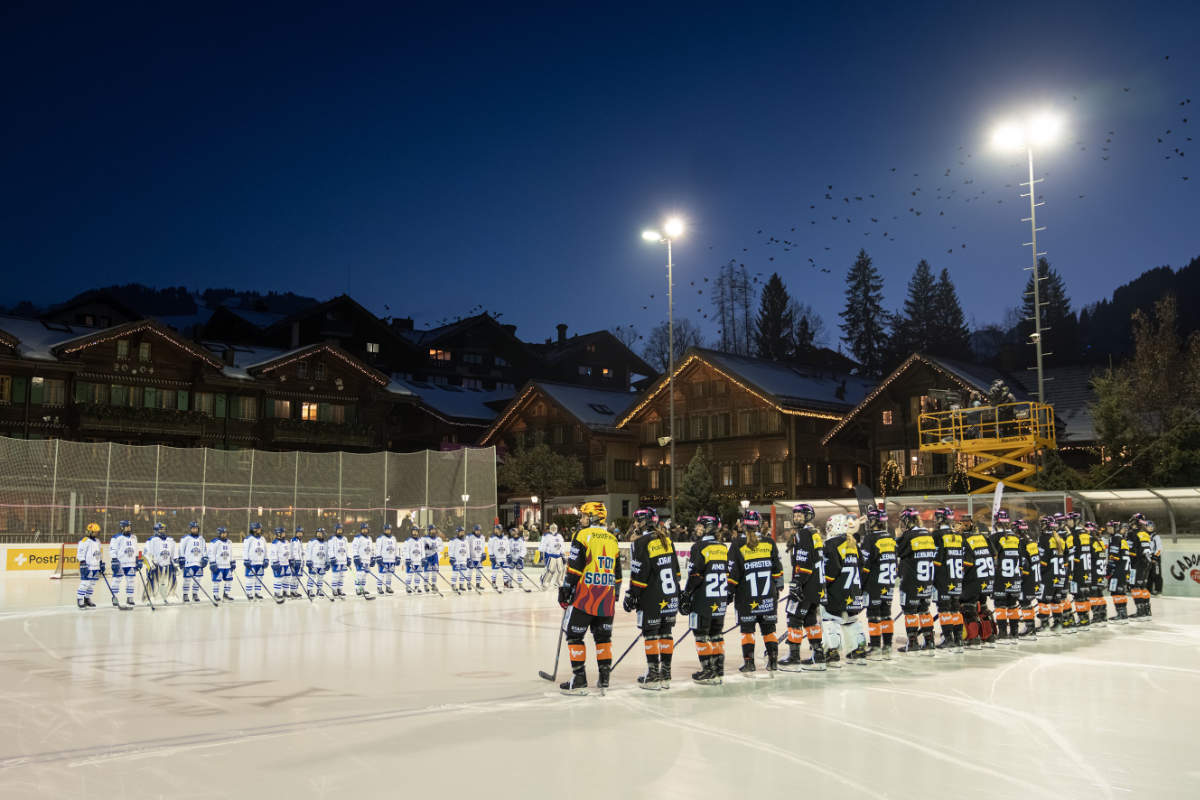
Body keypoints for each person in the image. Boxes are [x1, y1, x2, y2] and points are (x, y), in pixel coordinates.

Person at [557, 501, 621, 695]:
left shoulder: (582, 535)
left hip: (585, 596)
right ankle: (604, 678)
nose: (582, 519)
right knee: (603, 638)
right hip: (607, 596)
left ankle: (579, 679)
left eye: (585, 516)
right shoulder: (612, 539)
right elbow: (618, 574)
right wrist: (616, 593)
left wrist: (566, 589)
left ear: (593, 517)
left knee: (574, 635)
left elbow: (574, 568)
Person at [624, 507, 681, 689]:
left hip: (652, 597)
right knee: (666, 633)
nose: (635, 524)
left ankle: (653, 675)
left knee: (651, 634)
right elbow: (677, 573)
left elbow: (639, 575)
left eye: (637, 520)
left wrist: (631, 595)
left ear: (645, 522)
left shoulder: (641, 542)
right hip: (670, 596)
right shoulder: (667, 540)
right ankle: (666, 674)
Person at [727, 510, 784, 673]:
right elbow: (778, 570)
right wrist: (778, 587)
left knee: (747, 630)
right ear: (759, 524)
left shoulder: (737, 543)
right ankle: (773, 662)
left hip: (746, 597)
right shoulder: (769, 542)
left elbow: (733, 574)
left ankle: (749, 663)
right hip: (768, 597)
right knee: (769, 629)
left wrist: (729, 593)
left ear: (743, 525)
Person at [679, 514, 729, 685]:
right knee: (717, 634)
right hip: (719, 599)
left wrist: (686, 595)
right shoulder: (723, 547)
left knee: (701, 634)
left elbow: (695, 575)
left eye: (701, 525)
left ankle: (708, 671)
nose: (697, 528)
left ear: (709, 528)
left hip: (703, 599)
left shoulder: (699, 547)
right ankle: (718, 670)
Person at [780, 503, 826, 670]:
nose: (797, 517)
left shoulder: (804, 534)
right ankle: (818, 655)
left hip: (805, 585)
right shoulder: (814, 533)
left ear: (808, 517)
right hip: (816, 585)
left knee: (794, 617)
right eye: (795, 515)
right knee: (810, 619)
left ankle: (794, 656)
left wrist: (797, 583)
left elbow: (804, 562)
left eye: (801, 515)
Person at [820, 513, 868, 666]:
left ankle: (832, 650)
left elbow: (831, 569)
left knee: (829, 619)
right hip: (853, 591)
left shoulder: (831, 544)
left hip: (837, 590)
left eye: (830, 527)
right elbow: (862, 567)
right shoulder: (853, 544)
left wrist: (822, 586)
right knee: (851, 620)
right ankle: (859, 648)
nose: (828, 530)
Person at [896, 507, 937, 654]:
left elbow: (897, 551)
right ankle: (929, 641)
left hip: (911, 581)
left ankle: (912, 642)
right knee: (924, 611)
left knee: (910, 612)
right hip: (926, 582)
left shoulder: (908, 536)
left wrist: (898, 537)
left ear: (908, 520)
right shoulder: (927, 535)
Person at [858, 507, 897, 659]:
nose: (869, 523)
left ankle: (875, 647)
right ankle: (887, 646)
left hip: (874, 583)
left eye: (871, 520)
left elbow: (865, 564)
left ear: (875, 522)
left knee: (873, 615)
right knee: (886, 614)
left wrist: (860, 584)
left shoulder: (870, 538)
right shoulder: (890, 538)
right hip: (888, 583)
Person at [931, 507, 966, 652]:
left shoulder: (937, 535)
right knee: (955, 609)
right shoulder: (958, 536)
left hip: (943, 579)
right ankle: (958, 639)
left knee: (944, 609)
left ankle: (948, 639)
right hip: (956, 579)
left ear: (940, 519)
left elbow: (936, 561)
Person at [961, 514, 997, 648]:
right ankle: (988, 635)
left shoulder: (965, 540)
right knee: (983, 606)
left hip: (974, 578)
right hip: (986, 578)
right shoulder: (983, 537)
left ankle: (973, 638)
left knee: (968, 607)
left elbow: (966, 564)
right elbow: (994, 554)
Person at [990, 518, 1022, 642]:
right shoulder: (1016, 538)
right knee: (1013, 605)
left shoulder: (994, 538)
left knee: (1000, 605)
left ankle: (1003, 633)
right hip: (1015, 577)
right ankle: (1014, 632)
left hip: (1001, 578)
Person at [1064, 512, 1092, 629]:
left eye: (1070, 520)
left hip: (1077, 570)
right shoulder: (1085, 533)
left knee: (1078, 595)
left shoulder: (1073, 535)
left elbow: (1071, 554)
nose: (1068, 522)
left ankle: (1083, 619)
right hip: (1086, 570)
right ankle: (1085, 617)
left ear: (1076, 521)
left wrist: (1070, 571)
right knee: (1084, 595)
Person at [1017, 518, 1042, 638]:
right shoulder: (1032, 541)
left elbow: (1024, 564)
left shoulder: (1022, 543)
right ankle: (1031, 626)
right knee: (1028, 603)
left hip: (1027, 579)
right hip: (1035, 578)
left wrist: (1020, 579)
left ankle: (1030, 627)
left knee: (1025, 603)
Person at [108, 520, 139, 608]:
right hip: (120, 563)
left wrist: (137, 559)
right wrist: (114, 559)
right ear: (122, 527)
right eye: (127, 526)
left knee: (131, 581)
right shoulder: (116, 537)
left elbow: (136, 549)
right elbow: (112, 549)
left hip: (131, 563)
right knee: (117, 580)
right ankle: (114, 597)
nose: (129, 528)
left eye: (129, 526)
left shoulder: (134, 537)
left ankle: (130, 598)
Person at [1107, 521, 1133, 623]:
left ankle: (1121, 615)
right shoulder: (1123, 540)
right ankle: (1123, 614)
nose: (1108, 529)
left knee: (1116, 592)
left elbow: (1113, 557)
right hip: (1125, 570)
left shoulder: (1115, 539)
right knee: (1121, 592)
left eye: (1110, 527)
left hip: (1118, 570)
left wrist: (1108, 571)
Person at [145, 522, 177, 604]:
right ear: (156, 530)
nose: (163, 531)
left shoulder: (170, 540)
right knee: (153, 582)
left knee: (168, 582)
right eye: (161, 529)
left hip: (168, 565)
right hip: (155, 565)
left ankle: (168, 596)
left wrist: (175, 563)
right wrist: (150, 564)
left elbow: (173, 553)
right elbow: (147, 553)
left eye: (164, 529)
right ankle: (151, 597)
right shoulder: (151, 540)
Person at [1130, 514, 1154, 619]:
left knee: (1135, 587)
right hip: (1146, 563)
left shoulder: (1132, 533)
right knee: (1143, 587)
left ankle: (1140, 612)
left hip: (1137, 563)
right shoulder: (1145, 534)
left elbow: (1129, 550)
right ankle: (1147, 611)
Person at [178, 522, 207, 603]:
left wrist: (205, 558)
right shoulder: (185, 538)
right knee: (187, 579)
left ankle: (195, 594)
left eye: (196, 528)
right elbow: (181, 549)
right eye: (193, 528)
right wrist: (181, 558)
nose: (195, 530)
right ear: (190, 529)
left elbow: (204, 550)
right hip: (189, 563)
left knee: (198, 579)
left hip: (199, 563)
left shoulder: (202, 539)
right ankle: (185, 594)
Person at [76, 523, 103, 609]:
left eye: (97, 532)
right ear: (90, 532)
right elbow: (80, 553)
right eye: (95, 532)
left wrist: (101, 563)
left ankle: (87, 598)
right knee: (85, 583)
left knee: (92, 584)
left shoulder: (98, 541)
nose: (96, 533)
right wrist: (83, 563)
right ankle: (80, 599)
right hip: (88, 566)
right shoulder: (84, 541)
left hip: (96, 566)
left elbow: (99, 553)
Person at [208, 526, 235, 602]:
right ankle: (216, 595)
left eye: (225, 533)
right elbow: (211, 553)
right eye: (222, 533)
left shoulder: (229, 542)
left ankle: (226, 595)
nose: (224, 534)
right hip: (218, 565)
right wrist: (212, 563)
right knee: (216, 581)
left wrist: (232, 562)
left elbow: (231, 553)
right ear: (219, 534)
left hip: (227, 565)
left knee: (229, 580)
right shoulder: (215, 542)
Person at [243, 522, 268, 600]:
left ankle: (257, 593)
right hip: (252, 562)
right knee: (250, 578)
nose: (260, 530)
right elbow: (245, 550)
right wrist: (246, 560)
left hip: (260, 562)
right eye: (259, 529)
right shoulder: (248, 539)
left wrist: (266, 559)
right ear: (254, 529)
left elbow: (265, 550)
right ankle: (249, 593)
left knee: (259, 578)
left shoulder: (262, 538)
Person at [305, 527, 331, 597]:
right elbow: (308, 551)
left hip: (322, 564)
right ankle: (309, 590)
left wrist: (328, 562)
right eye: (318, 533)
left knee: (321, 578)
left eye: (320, 533)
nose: (319, 535)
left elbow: (327, 553)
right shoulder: (312, 541)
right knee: (312, 577)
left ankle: (319, 590)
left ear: (324, 534)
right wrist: (308, 560)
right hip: (314, 564)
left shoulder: (326, 543)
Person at [374, 523, 399, 594]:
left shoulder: (393, 538)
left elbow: (396, 548)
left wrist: (397, 557)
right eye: (386, 530)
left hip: (392, 559)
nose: (388, 531)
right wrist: (378, 557)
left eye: (389, 530)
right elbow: (378, 548)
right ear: (384, 530)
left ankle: (388, 587)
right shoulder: (380, 538)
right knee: (381, 574)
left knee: (389, 574)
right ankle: (379, 587)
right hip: (383, 559)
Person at [539, 523, 565, 589]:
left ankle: (557, 582)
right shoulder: (547, 536)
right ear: (550, 529)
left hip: (558, 555)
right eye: (552, 528)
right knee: (550, 569)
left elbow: (562, 545)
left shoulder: (559, 536)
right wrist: (541, 553)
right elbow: (543, 545)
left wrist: (562, 554)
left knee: (560, 570)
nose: (553, 529)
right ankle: (543, 581)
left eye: (555, 528)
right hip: (550, 554)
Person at [268, 527, 291, 603]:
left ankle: (285, 592)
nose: (284, 534)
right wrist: (275, 562)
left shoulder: (286, 542)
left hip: (286, 563)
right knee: (279, 579)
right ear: (278, 534)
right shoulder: (275, 543)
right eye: (282, 533)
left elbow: (289, 552)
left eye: (284, 532)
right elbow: (273, 553)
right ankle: (277, 593)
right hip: (279, 563)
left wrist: (290, 559)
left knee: (287, 578)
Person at [327, 523, 350, 598]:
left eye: (341, 530)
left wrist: (348, 558)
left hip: (343, 561)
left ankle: (340, 590)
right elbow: (330, 549)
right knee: (335, 576)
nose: (340, 531)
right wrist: (332, 557)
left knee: (342, 576)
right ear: (335, 530)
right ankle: (334, 590)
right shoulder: (332, 539)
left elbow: (347, 549)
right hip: (336, 561)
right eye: (338, 530)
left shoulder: (345, 539)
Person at [352, 523, 374, 596]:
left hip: (367, 560)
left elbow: (371, 549)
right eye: (363, 529)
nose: (364, 530)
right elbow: (354, 547)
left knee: (365, 575)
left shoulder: (369, 538)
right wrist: (356, 557)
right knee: (360, 574)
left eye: (366, 529)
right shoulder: (358, 537)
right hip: (360, 559)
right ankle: (357, 589)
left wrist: (372, 557)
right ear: (361, 530)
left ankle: (363, 588)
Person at [449, 527, 471, 592]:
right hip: (456, 560)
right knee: (455, 572)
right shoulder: (454, 540)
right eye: (461, 532)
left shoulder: (466, 541)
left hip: (463, 559)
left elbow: (468, 550)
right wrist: (451, 557)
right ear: (458, 532)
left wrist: (468, 558)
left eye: (463, 532)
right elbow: (451, 549)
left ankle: (461, 585)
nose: (462, 533)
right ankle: (453, 584)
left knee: (463, 572)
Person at [488, 524, 508, 591]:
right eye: (495, 529)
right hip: (496, 558)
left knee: (505, 570)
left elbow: (507, 547)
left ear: (500, 530)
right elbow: (490, 547)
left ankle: (505, 583)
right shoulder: (492, 538)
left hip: (504, 557)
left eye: (497, 529)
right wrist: (491, 555)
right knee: (495, 571)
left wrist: (508, 555)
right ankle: (493, 583)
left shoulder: (505, 538)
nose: (495, 530)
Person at [422, 525, 442, 592]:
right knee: (426, 571)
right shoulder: (424, 539)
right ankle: (425, 585)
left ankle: (434, 584)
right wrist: (425, 547)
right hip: (427, 556)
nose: (433, 531)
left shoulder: (438, 539)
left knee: (434, 571)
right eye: (432, 530)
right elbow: (421, 547)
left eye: (434, 530)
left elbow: (441, 548)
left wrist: (436, 548)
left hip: (434, 556)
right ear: (429, 531)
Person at [468, 524, 487, 590]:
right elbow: (468, 547)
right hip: (472, 558)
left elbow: (483, 546)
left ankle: (478, 584)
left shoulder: (482, 537)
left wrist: (483, 553)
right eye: (477, 530)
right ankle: (468, 584)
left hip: (479, 557)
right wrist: (468, 557)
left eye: (479, 530)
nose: (478, 531)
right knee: (470, 571)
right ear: (474, 530)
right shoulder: (470, 537)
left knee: (479, 571)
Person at [288, 527, 305, 599]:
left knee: (298, 577)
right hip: (294, 561)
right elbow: (294, 551)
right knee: (294, 577)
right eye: (298, 533)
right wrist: (297, 560)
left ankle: (295, 591)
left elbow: (300, 552)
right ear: (296, 533)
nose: (300, 534)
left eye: (301, 533)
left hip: (299, 562)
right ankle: (292, 592)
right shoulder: (294, 540)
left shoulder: (299, 541)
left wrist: (302, 560)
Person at [1149, 521, 1163, 596]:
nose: (1150, 528)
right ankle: (1148, 590)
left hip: (1155, 557)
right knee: (1148, 574)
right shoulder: (1144, 535)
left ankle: (1158, 590)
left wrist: (1155, 557)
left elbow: (1159, 548)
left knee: (1157, 574)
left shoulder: (1156, 536)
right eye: (1149, 526)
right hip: (1148, 557)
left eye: (1152, 527)